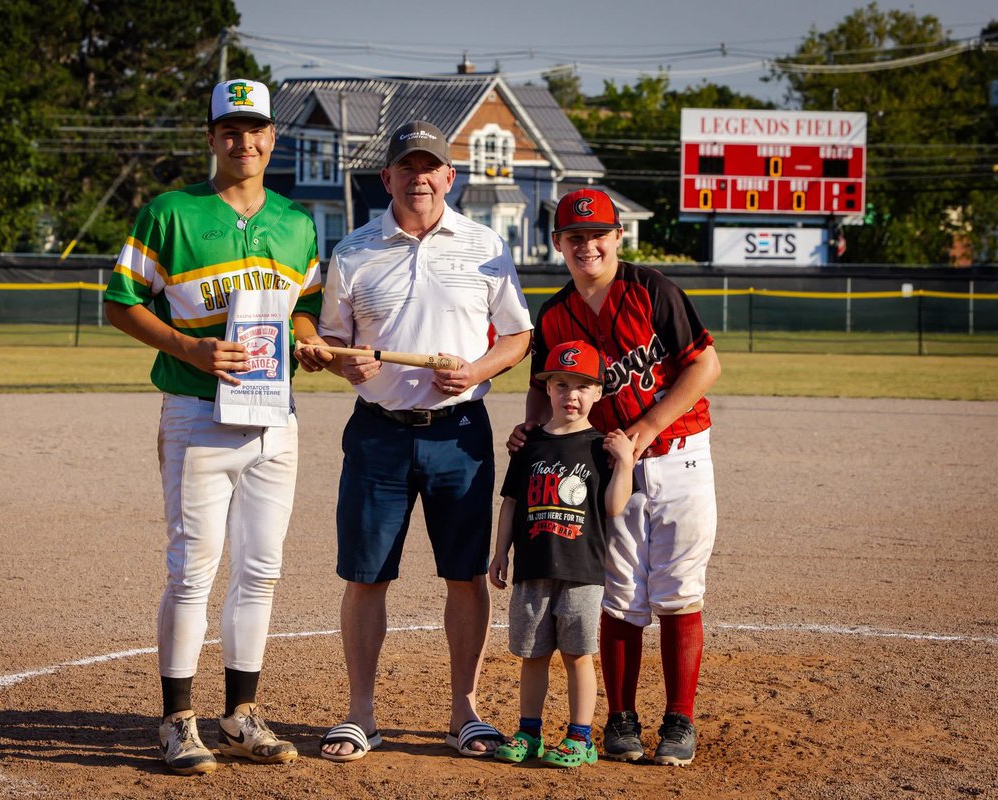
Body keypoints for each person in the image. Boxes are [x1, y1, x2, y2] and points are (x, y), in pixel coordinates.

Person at [103, 78, 324, 775]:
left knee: (260, 570)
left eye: (256, 128)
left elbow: (304, 310)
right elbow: (119, 303)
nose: (244, 140)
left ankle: (241, 715)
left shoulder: (296, 220)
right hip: (197, 412)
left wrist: (312, 340)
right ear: (211, 137)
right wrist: (189, 347)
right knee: (191, 571)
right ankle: (177, 720)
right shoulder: (170, 212)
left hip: (274, 419)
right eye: (230, 129)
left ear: (272, 138)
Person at [295, 120, 533, 762]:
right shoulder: (353, 250)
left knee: (465, 574)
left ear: (449, 177)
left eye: (431, 167)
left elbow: (517, 336)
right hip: (377, 436)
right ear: (388, 177)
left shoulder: (485, 245)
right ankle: (360, 715)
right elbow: (332, 340)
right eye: (408, 166)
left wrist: (478, 370)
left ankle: (465, 712)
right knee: (366, 575)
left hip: (460, 434)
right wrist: (345, 362)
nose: (419, 177)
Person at [509, 188, 721, 767]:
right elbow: (540, 387)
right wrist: (533, 439)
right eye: (574, 237)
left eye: (597, 234)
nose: (587, 246)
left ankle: (679, 720)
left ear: (617, 237)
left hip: (679, 453)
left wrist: (645, 430)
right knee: (621, 593)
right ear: (558, 244)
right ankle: (621, 719)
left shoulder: (651, 289)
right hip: (605, 467)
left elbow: (706, 364)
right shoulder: (554, 313)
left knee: (679, 590)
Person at [488, 340, 638, 769]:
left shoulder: (601, 447)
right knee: (532, 654)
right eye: (561, 384)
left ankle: (580, 737)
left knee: (577, 655)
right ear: (547, 388)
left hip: (582, 570)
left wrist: (625, 463)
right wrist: (500, 553)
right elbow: (512, 502)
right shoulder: (530, 445)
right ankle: (529, 731)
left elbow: (613, 507)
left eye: (582, 386)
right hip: (532, 568)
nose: (570, 394)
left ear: (598, 393)